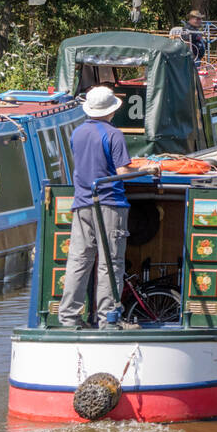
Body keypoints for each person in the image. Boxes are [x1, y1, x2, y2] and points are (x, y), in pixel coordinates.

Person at [57, 86, 147, 329]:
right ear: (112, 111)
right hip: (109, 204)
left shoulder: (77, 133)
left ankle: (68, 317)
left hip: (82, 203)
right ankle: (108, 319)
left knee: (79, 260)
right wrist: (148, 170)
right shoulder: (114, 134)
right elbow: (122, 173)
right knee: (110, 262)